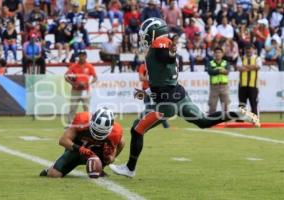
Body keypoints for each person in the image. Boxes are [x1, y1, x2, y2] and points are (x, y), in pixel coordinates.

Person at [109, 17, 260, 178]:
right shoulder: (162, 46)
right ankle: (238, 113)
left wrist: (170, 53)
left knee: (137, 129)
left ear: (154, 33)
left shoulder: (159, 45)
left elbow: (166, 57)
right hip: (178, 94)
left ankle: (130, 168)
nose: (143, 37)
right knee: (203, 121)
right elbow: (163, 76)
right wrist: (146, 92)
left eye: (145, 34)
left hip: (167, 103)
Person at [39, 108, 125, 178]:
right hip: (76, 151)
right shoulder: (82, 120)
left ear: (110, 128)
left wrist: (111, 158)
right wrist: (80, 149)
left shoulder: (115, 132)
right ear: (91, 122)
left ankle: (99, 168)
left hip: (97, 153)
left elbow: (117, 148)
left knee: (118, 144)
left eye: (102, 132)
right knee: (54, 175)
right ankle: (50, 169)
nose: (98, 134)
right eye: (96, 130)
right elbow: (63, 140)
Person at [65, 51, 97, 124]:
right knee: (72, 108)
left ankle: (88, 124)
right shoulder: (73, 66)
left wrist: (88, 83)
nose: (82, 57)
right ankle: (70, 124)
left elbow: (95, 77)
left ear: (86, 57)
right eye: (80, 56)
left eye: (83, 56)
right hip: (76, 90)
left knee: (86, 108)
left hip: (86, 90)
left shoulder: (89, 66)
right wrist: (73, 83)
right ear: (78, 57)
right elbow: (66, 76)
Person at [138, 63, 169, 128]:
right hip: (146, 90)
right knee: (149, 107)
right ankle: (166, 125)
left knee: (157, 108)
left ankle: (166, 125)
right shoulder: (143, 66)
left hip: (155, 89)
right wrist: (149, 78)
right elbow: (141, 78)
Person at [236, 44, 261, 115]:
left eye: (250, 49)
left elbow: (258, 67)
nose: (248, 50)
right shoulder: (241, 57)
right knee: (242, 104)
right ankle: (240, 121)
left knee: (253, 104)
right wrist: (252, 67)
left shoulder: (257, 58)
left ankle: (255, 120)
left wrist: (245, 67)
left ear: (253, 49)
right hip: (242, 85)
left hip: (253, 85)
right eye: (247, 49)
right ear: (245, 50)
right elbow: (240, 68)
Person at [207, 47, 230, 114]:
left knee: (225, 106)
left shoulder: (226, 63)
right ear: (214, 54)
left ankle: (225, 123)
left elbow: (227, 72)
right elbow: (210, 72)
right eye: (216, 53)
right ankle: (211, 122)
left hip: (224, 86)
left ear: (222, 54)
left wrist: (216, 70)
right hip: (214, 87)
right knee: (212, 106)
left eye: (219, 52)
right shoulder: (210, 63)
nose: (218, 54)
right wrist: (220, 70)